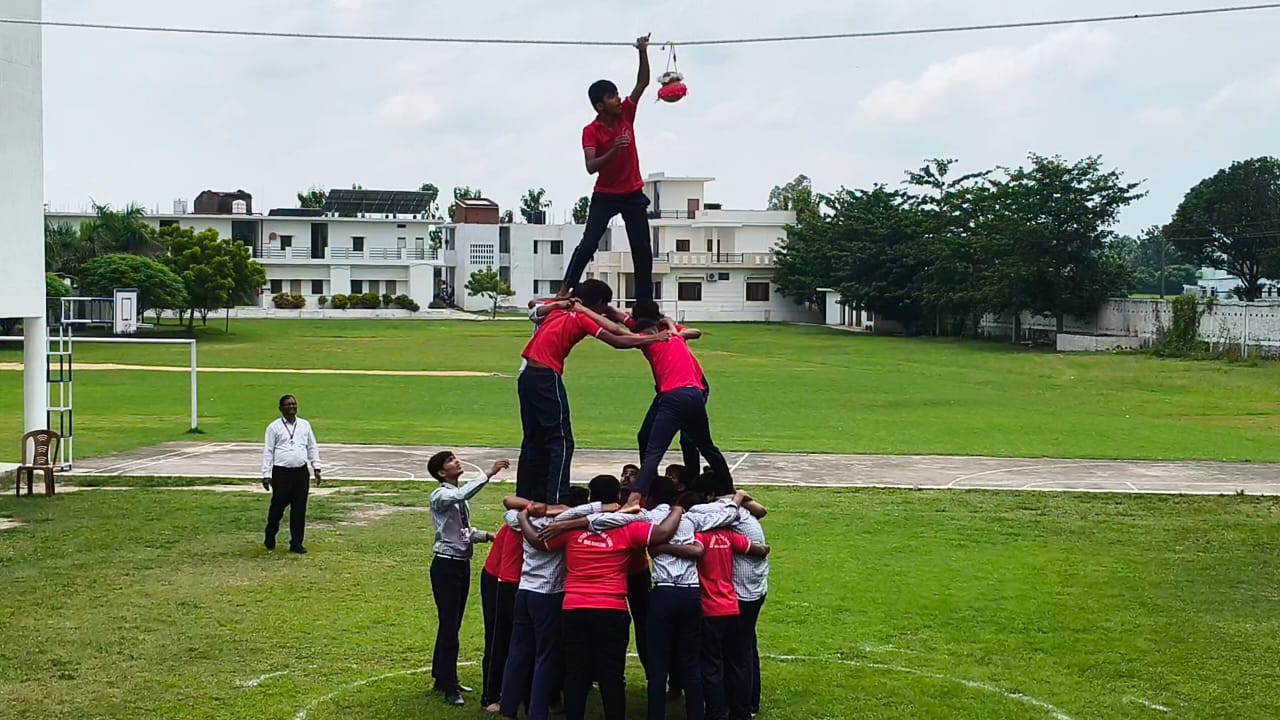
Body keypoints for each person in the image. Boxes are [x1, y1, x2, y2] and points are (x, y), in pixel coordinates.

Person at [519, 499, 685, 720]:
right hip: (611, 609)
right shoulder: (628, 530)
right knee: (612, 674)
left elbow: (537, 541)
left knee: (576, 673)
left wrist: (522, 518)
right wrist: (676, 508)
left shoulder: (570, 532)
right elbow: (663, 533)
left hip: (574, 608)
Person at [517, 280, 668, 504]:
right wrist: (652, 338)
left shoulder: (559, 309)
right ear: (598, 303)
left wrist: (562, 302)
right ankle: (556, 500)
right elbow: (617, 339)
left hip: (527, 376)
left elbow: (534, 304)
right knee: (562, 441)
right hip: (545, 377)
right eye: (604, 305)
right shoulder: (581, 316)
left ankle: (525, 495)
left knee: (533, 439)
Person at [559, 34, 656, 305]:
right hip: (605, 194)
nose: (618, 99)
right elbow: (591, 167)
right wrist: (614, 149)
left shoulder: (626, 113)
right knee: (589, 243)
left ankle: (645, 305)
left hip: (633, 193)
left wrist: (642, 51)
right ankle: (565, 289)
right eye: (612, 96)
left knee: (642, 251)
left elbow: (643, 83)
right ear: (600, 105)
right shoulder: (591, 131)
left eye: (616, 94)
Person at [499, 488, 612, 720]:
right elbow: (607, 508)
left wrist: (530, 508)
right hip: (549, 594)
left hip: (525, 590)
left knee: (518, 651)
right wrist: (561, 510)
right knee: (545, 656)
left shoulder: (523, 518)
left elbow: (508, 503)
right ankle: (538, 712)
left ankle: (508, 707)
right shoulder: (567, 520)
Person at [624, 300, 734, 508]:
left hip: (673, 397)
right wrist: (673, 326)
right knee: (706, 445)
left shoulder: (645, 339)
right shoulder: (675, 337)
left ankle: (635, 498)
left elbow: (617, 335)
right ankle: (729, 489)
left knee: (654, 451)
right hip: (695, 394)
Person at [428, 451, 510, 707]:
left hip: (460, 565)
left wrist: (486, 535)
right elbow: (461, 494)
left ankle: (441, 676)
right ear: (442, 473)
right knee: (450, 625)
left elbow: (462, 531)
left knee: (451, 623)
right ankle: (449, 684)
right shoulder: (442, 495)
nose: (457, 461)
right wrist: (488, 474)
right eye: (450, 460)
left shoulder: (456, 497)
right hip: (446, 566)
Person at [692, 474, 771, 718]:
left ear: (708, 495)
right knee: (744, 650)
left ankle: (730, 709)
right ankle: (746, 706)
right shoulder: (742, 511)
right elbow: (762, 513)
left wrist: (735, 499)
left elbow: (708, 518)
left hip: (737, 592)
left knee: (732, 655)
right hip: (755, 588)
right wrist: (739, 497)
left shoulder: (717, 511)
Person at [261, 394, 321, 554]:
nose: (291, 407)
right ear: (281, 408)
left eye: (293, 404)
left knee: (299, 509)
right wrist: (266, 474)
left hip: (300, 472)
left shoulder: (305, 425)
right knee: (278, 507)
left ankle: (296, 542)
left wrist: (316, 467)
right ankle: (270, 535)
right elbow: (268, 451)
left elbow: (312, 447)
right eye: (287, 405)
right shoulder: (274, 427)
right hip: (281, 473)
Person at [480, 520, 525, 712]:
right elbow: (506, 568)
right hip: (500, 579)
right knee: (498, 636)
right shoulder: (517, 524)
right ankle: (490, 695)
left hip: (513, 580)